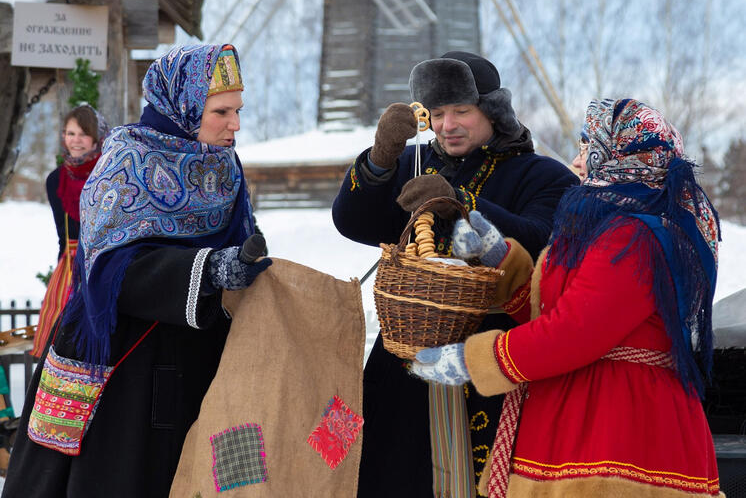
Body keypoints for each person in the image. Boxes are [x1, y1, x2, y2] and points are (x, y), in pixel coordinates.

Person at [412, 98, 723, 498]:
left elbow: (573, 333)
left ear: (615, 156)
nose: (576, 163)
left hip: (620, 430)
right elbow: (559, 309)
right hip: (581, 416)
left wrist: (474, 360)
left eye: (586, 149)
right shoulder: (608, 223)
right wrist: (501, 260)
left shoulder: (636, 237)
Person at [3, 44, 272, 498]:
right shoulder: (128, 162)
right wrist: (208, 270)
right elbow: (110, 271)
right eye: (222, 111)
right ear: (183, 106)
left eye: (238, 110)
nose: (235, 125)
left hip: (207, 354)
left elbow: (239, 242)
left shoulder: (224, 166)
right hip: (124, 361)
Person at [332, 51, 578, 497]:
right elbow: (353, 223)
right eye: (439, 114)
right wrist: (380, 160)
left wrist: (464, 203)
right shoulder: (411, 164)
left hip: (492, 362)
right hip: (404, 362)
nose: (448, 125)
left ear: (493, 111)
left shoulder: (542, 175)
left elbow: (544, 242)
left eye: (462, 111)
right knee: (393, 478)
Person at [32, 106, 110, 358]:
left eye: (82, 134)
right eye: (69, 133)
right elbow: (61, 237)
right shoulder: (56, 179)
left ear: (97, 138)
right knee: (60, 343)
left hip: (105, 262)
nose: (75, 141)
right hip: (71, 266)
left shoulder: (110, 174)